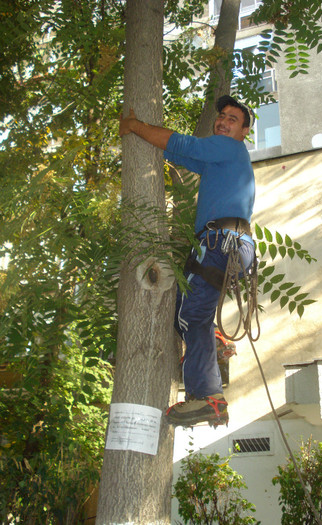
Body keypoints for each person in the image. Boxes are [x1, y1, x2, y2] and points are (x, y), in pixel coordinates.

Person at [119, 95, 255, 427]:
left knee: (190, 314)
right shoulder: (219, 161)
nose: (222, 121)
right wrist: (142, 139)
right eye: (220, 116)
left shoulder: (230, 149)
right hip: (227, 243)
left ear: (244, 132)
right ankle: (214, 345)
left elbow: (182, 143)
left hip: (220, 241)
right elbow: (177, 152)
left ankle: (208, 396)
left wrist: (135, 126)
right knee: (187, 313)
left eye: (232, 119)